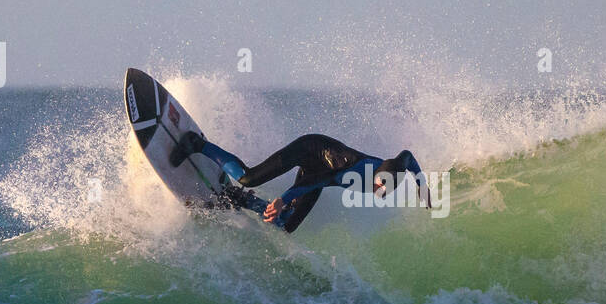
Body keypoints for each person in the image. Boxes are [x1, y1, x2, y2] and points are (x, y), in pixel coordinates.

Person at [173, 131, 426, 233]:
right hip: (310, 149)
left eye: (384, 189)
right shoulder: (356, 173)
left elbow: (408, 157)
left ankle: (241, 199)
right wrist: (284, 198)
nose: (379, 190)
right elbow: (319, 179)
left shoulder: (394, 168)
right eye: (378, 185)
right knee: (249, 177)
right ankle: (198, 144)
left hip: (321, 171)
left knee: (287, 225)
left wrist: (422, 187)